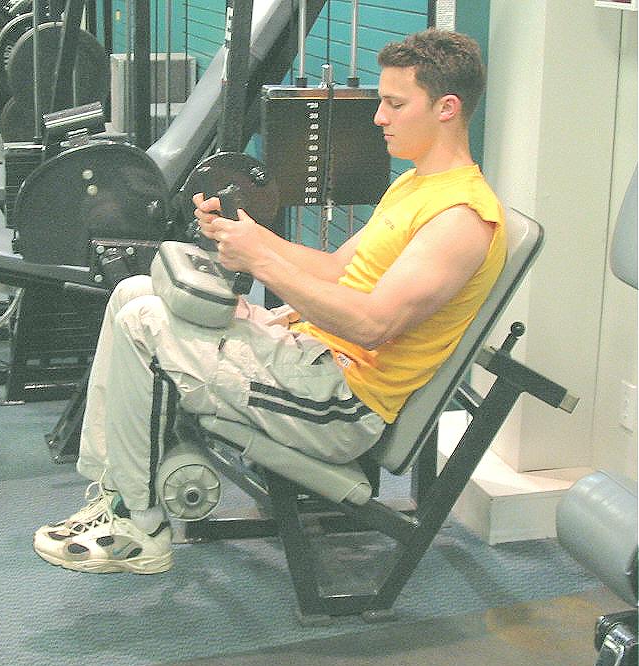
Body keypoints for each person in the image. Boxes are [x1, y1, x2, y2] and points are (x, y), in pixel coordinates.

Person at [33, 29, 506, 574]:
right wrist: (248, 236)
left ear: (447, 108)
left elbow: (374, 325)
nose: (379, 117)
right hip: (308, 360)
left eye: (395, 104)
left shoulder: (460, 219)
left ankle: (139, 527)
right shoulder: (414, 186)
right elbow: (337, 270)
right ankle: (112, 492)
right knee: (133, 292)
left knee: (145, 321)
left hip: (340, 403)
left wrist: (262, 263)